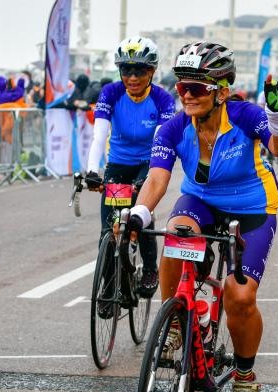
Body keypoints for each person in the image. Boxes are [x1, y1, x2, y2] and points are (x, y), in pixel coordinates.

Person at [126, 41, 278, 392]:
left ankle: (243, 377)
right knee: (177, 234)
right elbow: (158, 178)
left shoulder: (244, 115)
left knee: (240, 297)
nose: (187, 95)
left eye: (197, 88)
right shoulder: (173, 127)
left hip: (253, 207)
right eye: (181, 87)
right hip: (202, 202)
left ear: (221, 90)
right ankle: (177, 319)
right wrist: (139, 213)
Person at [85, 36, 175, 301]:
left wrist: (148, 179)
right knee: (107, 229)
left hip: (148, 163)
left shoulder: (162, 99)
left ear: (152, 72)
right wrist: (92, 171)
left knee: (140, 215)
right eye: (126, 70)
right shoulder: (111, 92)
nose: (132, 77)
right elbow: (99, 135)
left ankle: (149, 269)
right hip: (118, 164)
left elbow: (161, 140)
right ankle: (109, 286)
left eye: (139, 70)